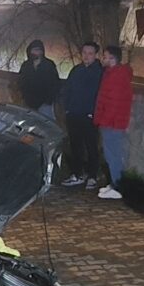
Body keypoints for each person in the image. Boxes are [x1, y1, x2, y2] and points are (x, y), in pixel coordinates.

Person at [59, 41, 103, 189]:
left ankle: (92, 175)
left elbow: (100, 95)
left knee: (91, 146)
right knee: (75, 145)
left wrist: (93, 112)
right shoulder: (76, 70)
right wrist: (67, 108)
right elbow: (67, 89)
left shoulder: (99, 72)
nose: (86, 56)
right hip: (74, 113)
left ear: (96, 55)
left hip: (89, 115)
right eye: (84, 53)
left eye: (90, 53)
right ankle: (77, 173)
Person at [92, 45, 132, 200]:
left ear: (112, 58)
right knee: (111, 154)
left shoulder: (118, 75)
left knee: (113, 154)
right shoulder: (111, 73)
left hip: (113, 122)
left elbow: (114, 102)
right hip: (110, 121)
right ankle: (115, 183)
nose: (103, 59)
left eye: (105, 56)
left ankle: (119, 186)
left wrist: (105, 120)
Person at [17, 39, 60, 120]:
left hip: (45, 103)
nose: (36, 53)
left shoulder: (49, 64)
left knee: (46, 125)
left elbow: (55, 83)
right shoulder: (26, 65)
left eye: (38, 50)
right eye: (34, 50)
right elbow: (21, 81)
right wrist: (24, 96)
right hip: (29, 102)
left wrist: (49, 100)